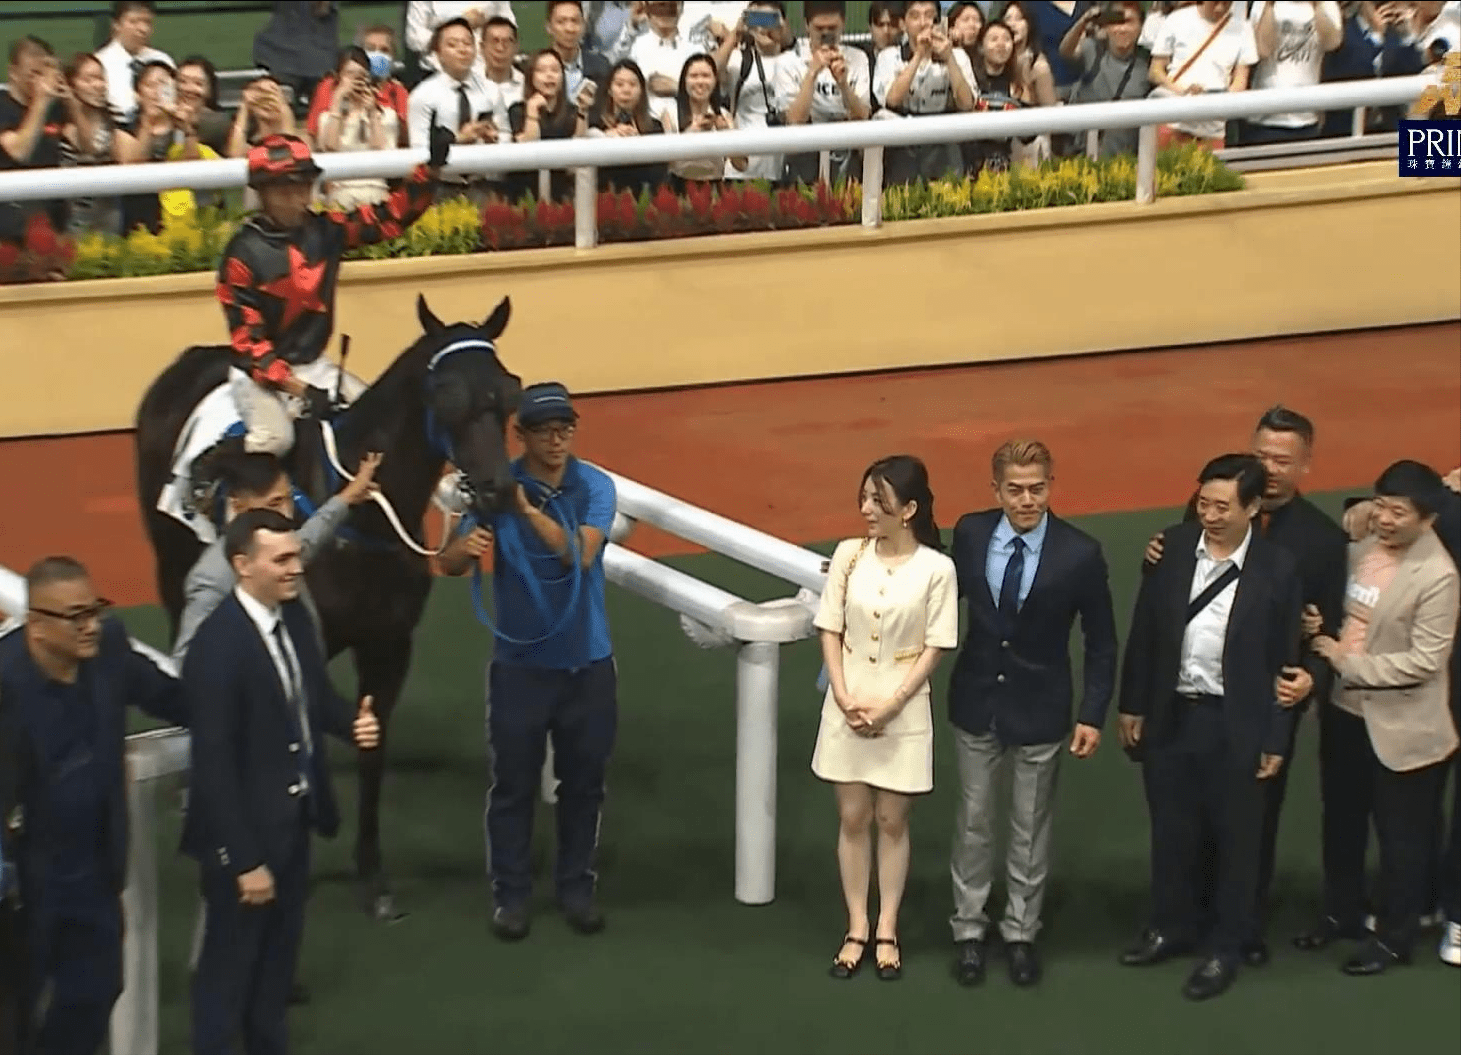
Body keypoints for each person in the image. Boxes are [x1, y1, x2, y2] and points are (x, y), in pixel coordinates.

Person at [1144, 405, 1347, 965]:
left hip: (1262, 701)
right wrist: (1155, 557)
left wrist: (1312, 677)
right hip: (1192, 699)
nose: (1270, 468)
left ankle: (1241, 929)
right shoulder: (1208, 512)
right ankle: (1187, 921)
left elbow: (1330, 625)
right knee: (1186, 817)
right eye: (1262, 455)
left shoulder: (1321, 541)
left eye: (1283, 460)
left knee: (1251, 824)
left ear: (1306, 465)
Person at [182, 509, 380, 1055]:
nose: (297, 568)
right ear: (242, 565)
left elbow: (311, 696)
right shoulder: (215, 649)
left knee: (274, 973)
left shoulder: (290, 618)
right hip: (245, 844)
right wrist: (245, 861)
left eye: (296, 555)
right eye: (283, 559)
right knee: (227, 979)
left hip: (292, 828)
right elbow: (213, 765)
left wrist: (351, 723)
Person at [1116, 453, 1304, 1001]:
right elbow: (1145, 632)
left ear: (1253, 507)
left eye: (1223, 507)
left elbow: (1286, 659)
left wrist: (1276, 736)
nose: (1211, 515)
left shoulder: (1279, 569)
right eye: (1204, 503)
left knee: (1237, 841)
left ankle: (1227, 946)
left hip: (1236, 724)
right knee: (1171, 831)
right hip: (1173, 716)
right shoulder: (1172, 549)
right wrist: (1133, 705)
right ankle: (1170, 926)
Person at [438, 383, 618, 943]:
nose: (558, 440)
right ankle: (510, 897)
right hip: (519, 667)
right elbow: (446, 562)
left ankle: (576, 888)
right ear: (521, 436)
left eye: (566, 429)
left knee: (584, 785)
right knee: (512, 786)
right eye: (545, 431)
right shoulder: (495, 488)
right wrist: (461, 550)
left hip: (588, 665)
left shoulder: (596, 486)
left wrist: (521, 508)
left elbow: (579, 554)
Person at [0, 556, 188, 1055]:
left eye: (95, 609)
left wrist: (236, 710)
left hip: (95, 875)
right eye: (75, 616)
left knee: (98, 991)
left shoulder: (110, 651)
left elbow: (171, 696)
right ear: (36, 626)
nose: (91, 625)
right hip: (25, 889)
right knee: (14, 1020)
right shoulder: (4, 684)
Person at [947, 440, 1117, 988]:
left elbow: (1101, 641)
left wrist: (1093, 712)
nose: (1027, 500)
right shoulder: (971, 534)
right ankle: (969, 930)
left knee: (1029, 827)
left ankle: (1020, 932)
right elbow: (938, 601)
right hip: (976, 700)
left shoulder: (1080, 553)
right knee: (974, 822)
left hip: (1042, 708)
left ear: (1051, 486)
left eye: (1037, 489)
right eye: (1015, 490)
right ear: (995, 489)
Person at [1303, 460, 1459, 976]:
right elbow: (1348, 610)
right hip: (1346, 714)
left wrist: (1344, 661)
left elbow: (1424, 662)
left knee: (1401, 840)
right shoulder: (1363, 547)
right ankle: (1341, 914)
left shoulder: (1437, 576)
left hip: (1403, 729)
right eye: (1382, 507)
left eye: (1399, 512)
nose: (1386, 520)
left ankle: (1395, 937)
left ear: (1428, 518)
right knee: (1342, 822)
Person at [216, 127, 452, 461]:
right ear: (264, 193)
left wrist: (432, 169)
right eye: (286, 188)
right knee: (275, 440)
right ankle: (215, 471)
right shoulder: (241, 254)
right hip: (259, 379)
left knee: (378, 421)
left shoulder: (326, 230)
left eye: (304, 185)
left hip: (314, 366)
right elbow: (250, 346)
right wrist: (299, 389)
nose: (300, 197)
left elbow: (389, 218)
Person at [813, 455, 958, 982]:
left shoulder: (937, 569)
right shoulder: (848, 555)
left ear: (910, 509)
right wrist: (843, 694)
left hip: (904, 708)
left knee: (892, 820)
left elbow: (937, 644)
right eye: (865, 498)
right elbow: (829, 626)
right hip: (847, 705)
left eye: (879, 500)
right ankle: (857, 926)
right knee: (853, 817)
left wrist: (892, 705)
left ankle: (887, 927)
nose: (867, 509)